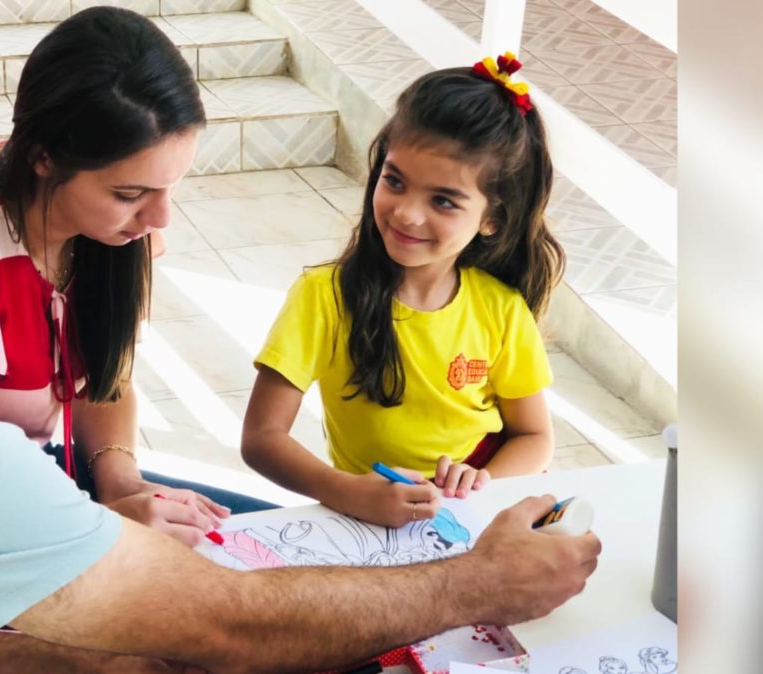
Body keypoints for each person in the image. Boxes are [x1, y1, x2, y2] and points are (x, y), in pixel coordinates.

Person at [0, 28, 601, 674]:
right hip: (6, 507)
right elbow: (230, 626)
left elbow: (101, 385)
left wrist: (121, 482)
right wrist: (477, 585)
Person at [0, 6, 272, 551]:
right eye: (130, 194)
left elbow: (104, 377)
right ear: (44, 157)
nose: (160, 220)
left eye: (172, 188)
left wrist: (121, 483)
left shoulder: (118, 233)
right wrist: (91, 526)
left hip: (56, 482)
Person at [241, 54, 564, 529]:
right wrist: (346, 491)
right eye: (394, 181)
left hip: (466, 519)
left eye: (443, 200)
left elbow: (535, 437)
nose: (407, 213)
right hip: (364, 521)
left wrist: (478, 483)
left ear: (492, 219)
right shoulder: (323, 296)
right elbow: (262, 438)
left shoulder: (501, 309)